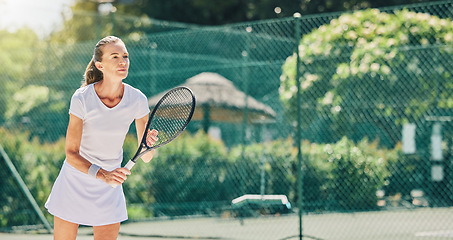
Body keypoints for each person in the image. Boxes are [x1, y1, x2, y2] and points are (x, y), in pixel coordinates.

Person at [45, 36, 158, 240]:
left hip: (109, 186)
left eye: (125, 56)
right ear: (100, 65)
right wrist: (102, 174)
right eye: (114, 56)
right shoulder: (81, 98)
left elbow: (147, 156)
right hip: (75, 181)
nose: (123, 61)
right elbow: (71, 154)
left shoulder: (138, 100)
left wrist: (149, 146)